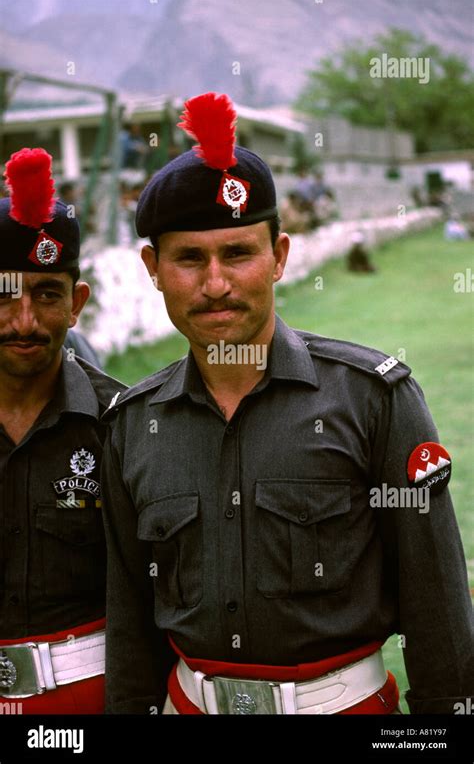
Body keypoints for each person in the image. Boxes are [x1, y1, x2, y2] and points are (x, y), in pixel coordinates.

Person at [102, 92, 473, 716]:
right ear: (153, 268)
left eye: (238, 253)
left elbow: (436, 600)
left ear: (278, 257)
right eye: (190, 259)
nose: (215, 284)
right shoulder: (135, 425)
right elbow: (131, 622)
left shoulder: (373, 399)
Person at [0, 147, 126, 713]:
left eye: (46, 294)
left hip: (88, 697)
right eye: (3, 293)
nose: (24, 320)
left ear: (76, 304)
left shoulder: (123, 423)